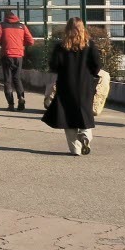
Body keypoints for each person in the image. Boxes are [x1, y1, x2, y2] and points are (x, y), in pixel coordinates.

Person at [41, 17, 102, 156]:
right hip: (85, 85)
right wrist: (91, 73)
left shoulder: (61, 46)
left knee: (67, 116)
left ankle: (75, 149)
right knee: (84, 113)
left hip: (66, 85)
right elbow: (97, 66)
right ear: (82, 28)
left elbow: (54, 66)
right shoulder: (89, 45)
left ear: (67, 29)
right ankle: (86, 135)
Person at [0, 11, 35, 111]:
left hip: (7, 55)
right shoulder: (22, 26)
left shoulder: (2, 25)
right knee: (17, 78)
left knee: (8, 80)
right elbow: (31, 41)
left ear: (5, 17)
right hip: (19, 56)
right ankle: (21, 99)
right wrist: (20, 44)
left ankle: (11, 104)